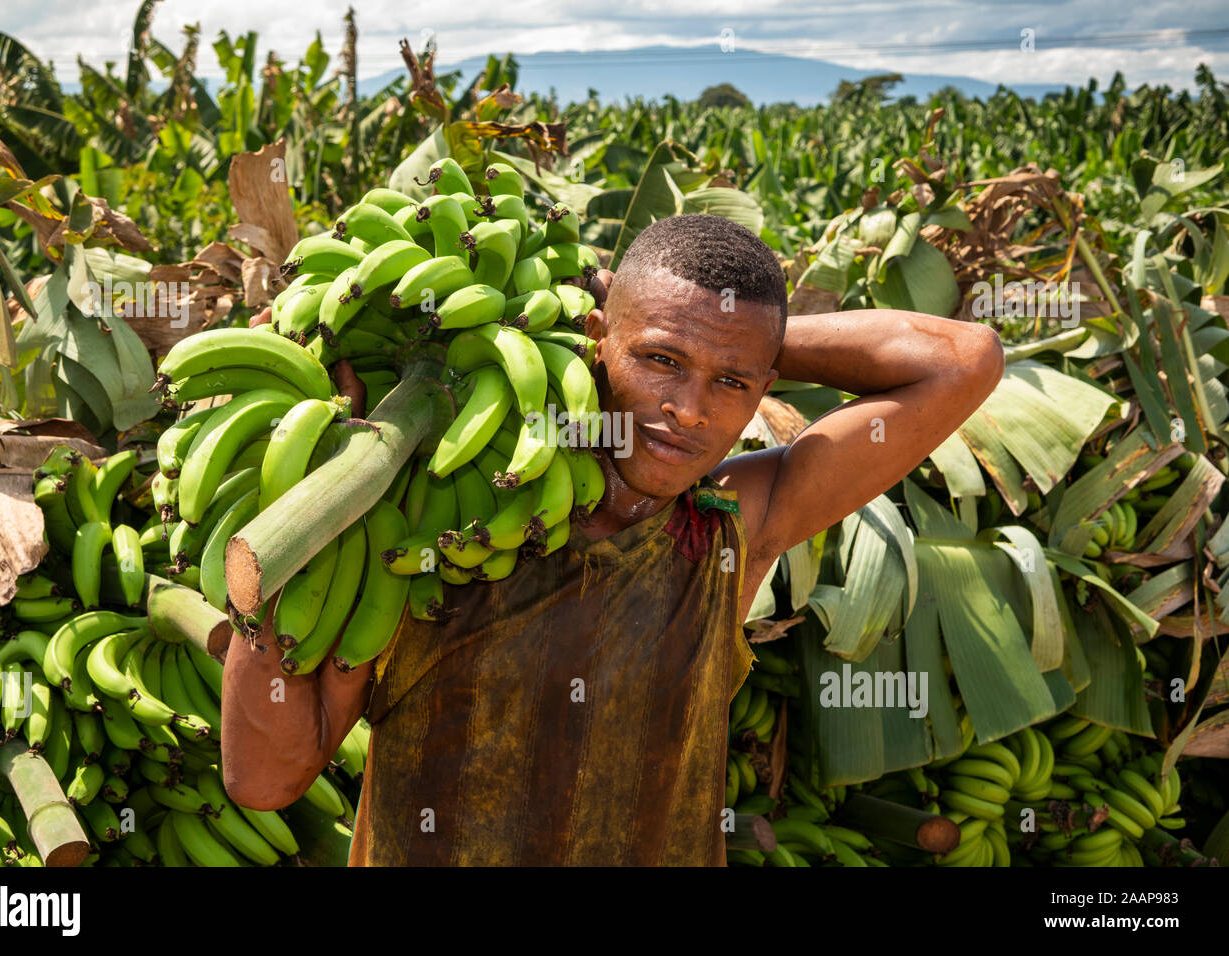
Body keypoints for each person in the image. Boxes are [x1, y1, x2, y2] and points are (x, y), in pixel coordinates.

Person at [222, 213, 1004, 865]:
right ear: (595, 340)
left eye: (731, 384)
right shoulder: (437, 534)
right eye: (661, 360)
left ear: (763, 390)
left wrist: (731, 337)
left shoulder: (729, 529)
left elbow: (963, 360)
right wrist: (309, 502)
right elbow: (264, 779)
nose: (691, 411)